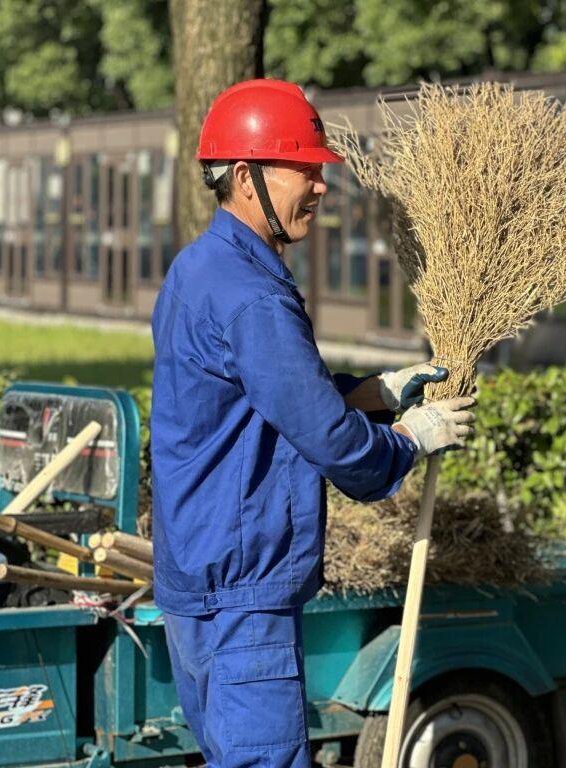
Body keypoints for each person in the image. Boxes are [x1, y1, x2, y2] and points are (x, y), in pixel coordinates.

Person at [150, 79, 475, 768]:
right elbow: (329, 439)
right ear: (246, 178)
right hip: (243, 592)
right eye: (304, 169)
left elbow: (262, 399)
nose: (321, 186)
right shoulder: (252, 296)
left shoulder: (200, 268)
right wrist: (409, 439)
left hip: (203, 578)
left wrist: (378, 392)